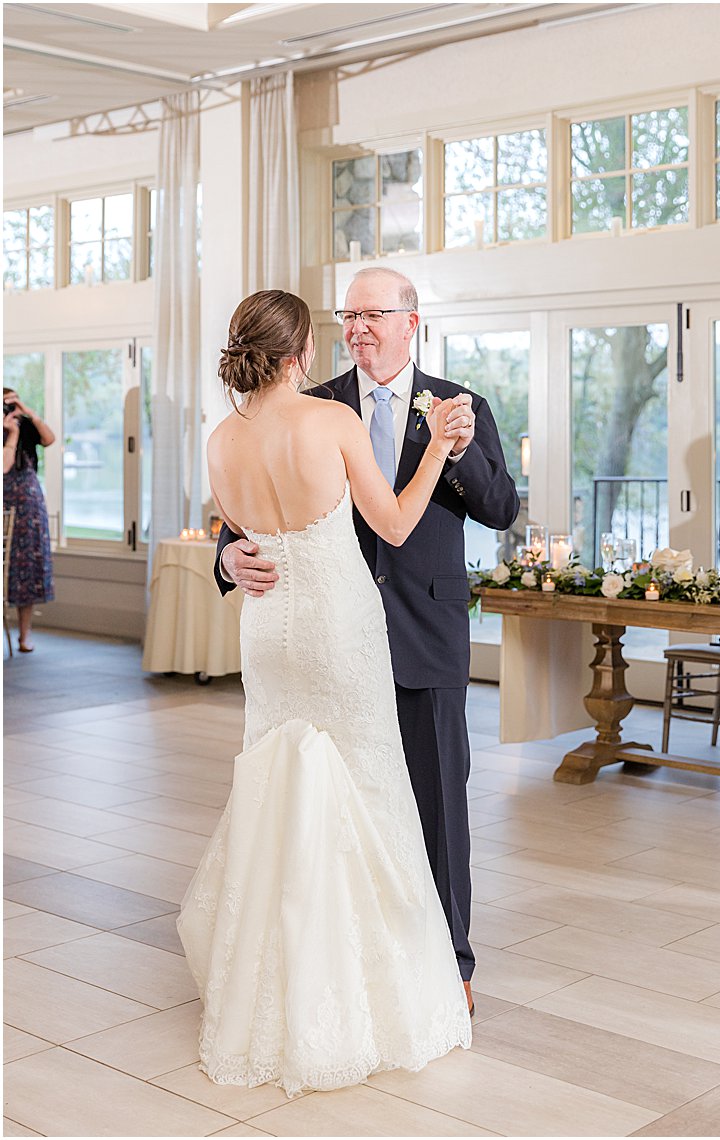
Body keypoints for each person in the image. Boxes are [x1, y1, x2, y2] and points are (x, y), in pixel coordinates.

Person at [179, 289, 472, 1093]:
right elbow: (399, 524)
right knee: (368, 789)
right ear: (300, 354)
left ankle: (273, 979)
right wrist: (437, 453)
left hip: (270, 632)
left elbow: (238, 539)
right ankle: (370, 991)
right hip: (339, 628)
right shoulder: (330, 422)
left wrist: (234, 557)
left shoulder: (219, 442)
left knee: (279, 785)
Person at [216, 267, 519, 1013]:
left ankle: (451, 963)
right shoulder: (310, 404)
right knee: (332, 797)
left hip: (427, 627)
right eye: (348, 315)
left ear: (411, 322)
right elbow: (244, 521)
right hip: (332, 631)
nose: (357, 327)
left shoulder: (460, 404)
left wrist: (464, 448)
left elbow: (501, 508)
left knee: (437, 801)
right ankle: (339, 956)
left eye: (373, 313)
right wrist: (227, 557)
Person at [2, 387, 56, 652]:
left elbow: (49, 439)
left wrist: (29, 414)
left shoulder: (25, 424)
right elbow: (5, 466)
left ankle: (24, 635)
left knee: (28, 568)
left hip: (29, 505)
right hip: (5, 501)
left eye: (11, 404)